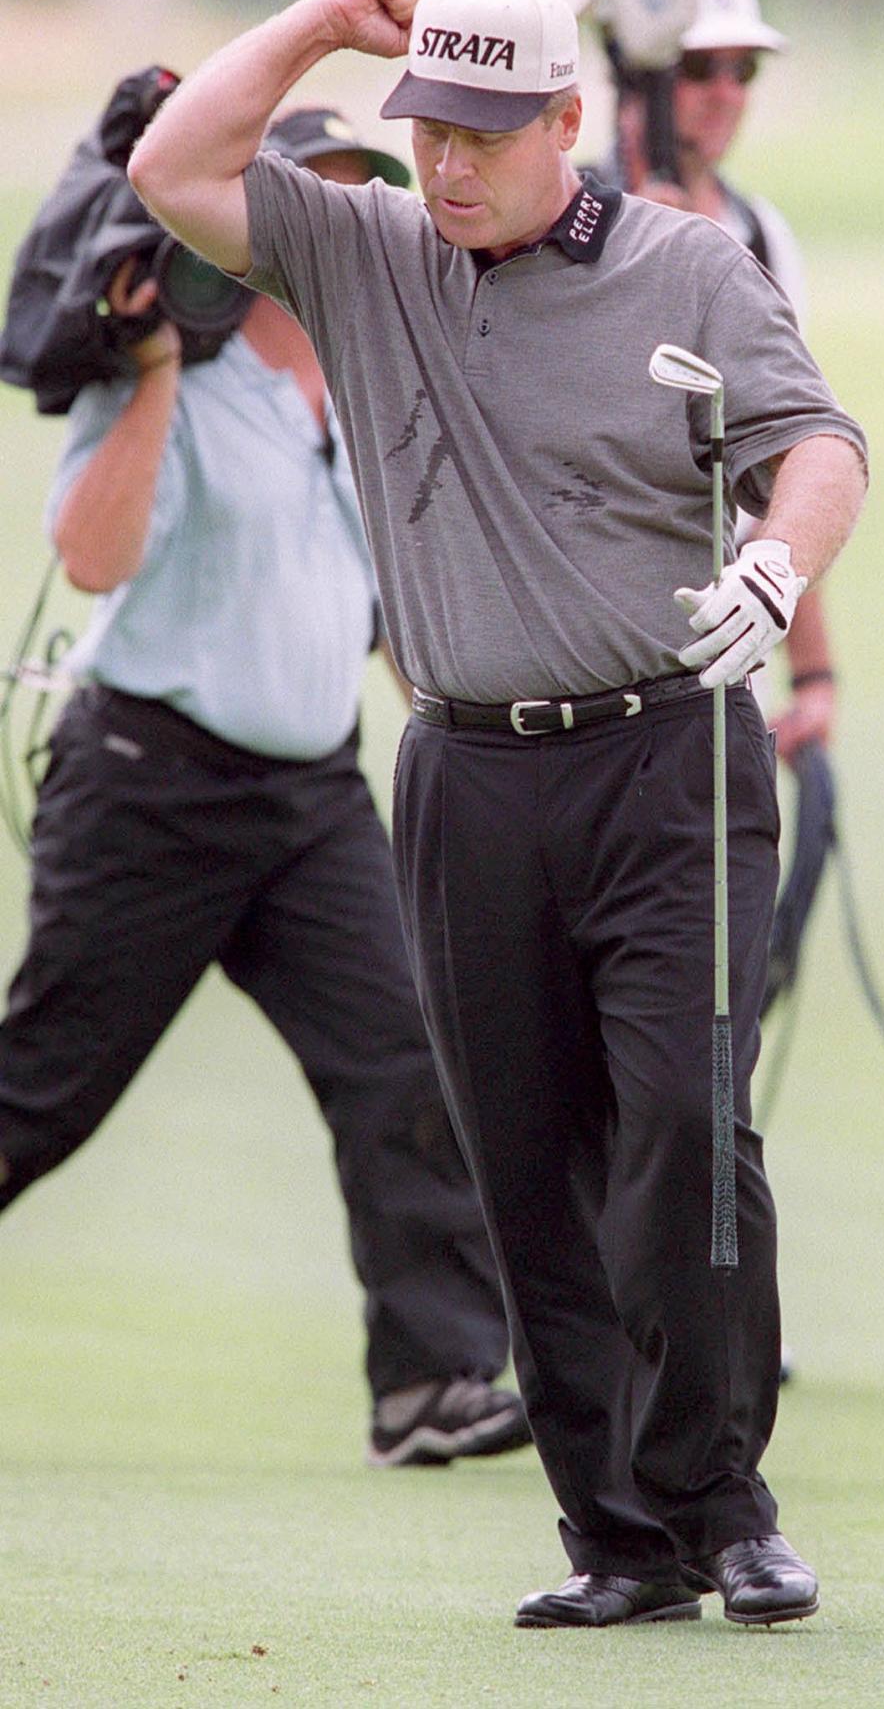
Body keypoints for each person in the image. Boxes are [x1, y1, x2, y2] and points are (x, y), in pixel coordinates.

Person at [129, 0, 867, 1630]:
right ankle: (618, 1536)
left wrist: (773, 560)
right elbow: (170, 168)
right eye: (424, 127)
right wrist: (325, 21)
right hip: (466, 770)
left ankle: (722, 1501)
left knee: (681, 1128)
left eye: (478, 129)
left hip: (668, 753)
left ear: (564, 120)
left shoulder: (689, 265)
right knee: (523, 1157)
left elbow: (821, 444)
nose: (444, 163)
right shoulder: (368, 249)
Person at [0, 100, 532, 1472]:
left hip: (311, 804)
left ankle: (432, 1380)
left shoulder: (365, 384)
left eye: (360, 195)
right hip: (146, 791)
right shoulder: (164, 365)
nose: (333, 222)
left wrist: (494, 753)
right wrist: (162, 369)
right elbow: (97, 557)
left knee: (407, 1057)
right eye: (313, 194)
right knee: (43, 1090)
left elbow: (385, 611)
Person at [609, 0, 836, 770]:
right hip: (600, 654)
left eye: (744, 70)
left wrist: (812, 673)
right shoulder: (564, 226)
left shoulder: (761, 235)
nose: (728, 92)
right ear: (639, 79)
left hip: (724, 642)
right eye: (702, 69)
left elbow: (789, 459)